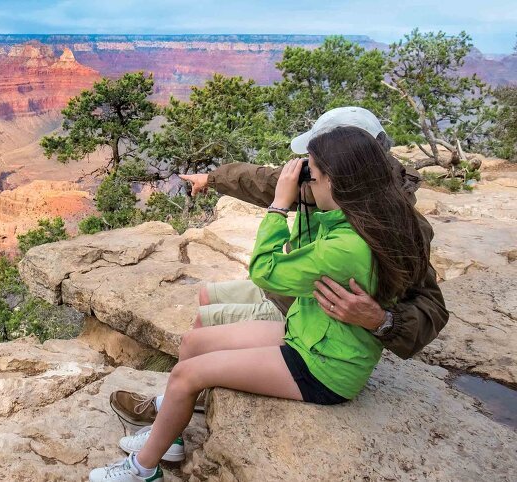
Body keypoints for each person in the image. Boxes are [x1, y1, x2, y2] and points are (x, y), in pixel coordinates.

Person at [88, 125, 431, 482]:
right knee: (193, 343)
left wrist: (280, 205)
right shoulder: (369, 215)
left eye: (311, 174)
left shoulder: (347, 246)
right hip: (310, 334)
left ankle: (143, 469)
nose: (306, 183)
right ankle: (169, 432)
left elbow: (265, 271)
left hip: (323, 366)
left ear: (335, 181)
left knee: (186, 375)